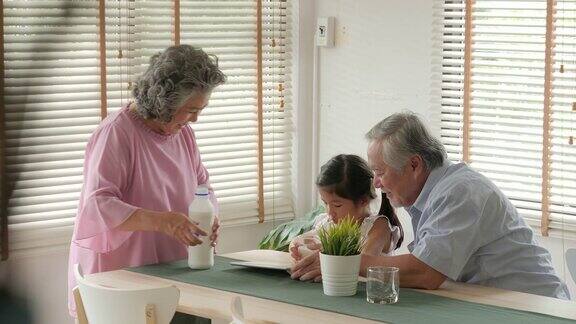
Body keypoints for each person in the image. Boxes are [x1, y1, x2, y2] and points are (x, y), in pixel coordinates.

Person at [291, 111, 571, 300]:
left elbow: (425, 272)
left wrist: (341, 265)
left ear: (414, 165)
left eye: (380, 172)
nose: (376, 184)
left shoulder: (460, 192)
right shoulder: (430, 194)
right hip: (492, 301)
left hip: (536, 307)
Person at [67, 44, 226, 318]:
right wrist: (162, 221)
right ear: (166, 102)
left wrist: (210, 217)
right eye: (190, 110)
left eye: (201, 109)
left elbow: (203, 187)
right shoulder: (117, 133)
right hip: (125, 281)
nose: (195, 120)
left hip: (173, 274)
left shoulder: (183, 133)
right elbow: (98, 205)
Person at [289, 154, 403, 282]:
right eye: (325, 203)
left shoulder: (378, 227)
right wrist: (298, 246)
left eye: (337, 205)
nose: (330, 212)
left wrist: (327, 256)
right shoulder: (327, 223)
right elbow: (304, 240)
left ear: (363, 201)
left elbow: (362, 262)